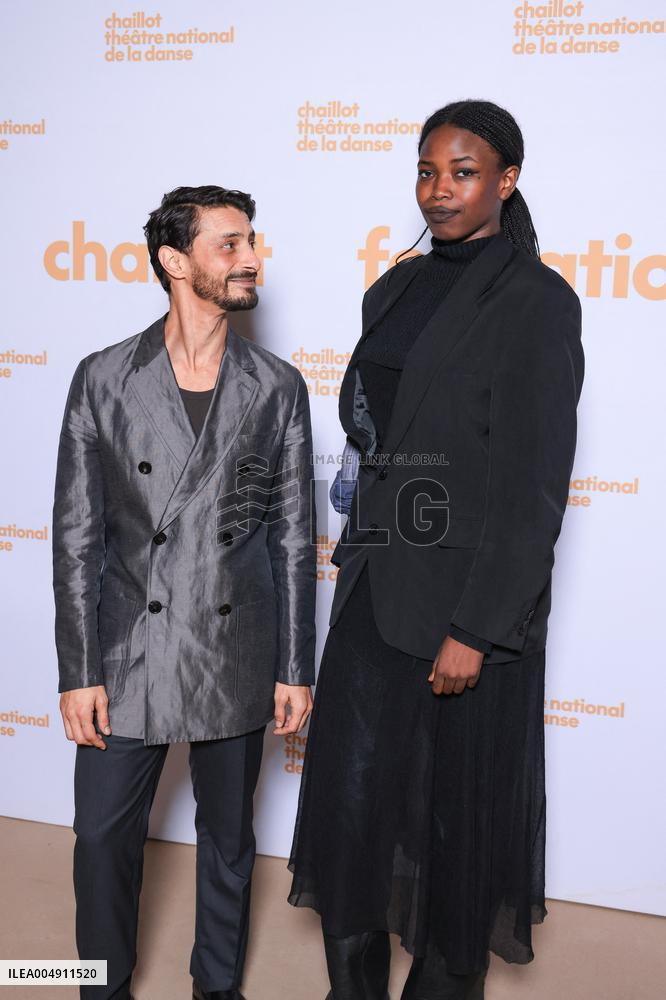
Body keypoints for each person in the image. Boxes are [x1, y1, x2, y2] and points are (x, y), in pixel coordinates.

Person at [288, 101, 584, 1000]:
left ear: (506, 180)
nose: (441, 188)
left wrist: (476, 628)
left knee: (455, 829)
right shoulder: (395, 288)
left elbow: (533, 488)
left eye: (463, 171)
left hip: (464, 611)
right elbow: (379, 436)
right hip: (376, 586)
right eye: (428, 171)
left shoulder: (536, 301)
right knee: (353, 806)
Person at [52, 185, 317, 1000]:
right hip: (128, 649)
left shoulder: (276, 386)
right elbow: (76, 537)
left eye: (251, 242)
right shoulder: (103, 377)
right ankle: (101, 985)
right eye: (229, 245)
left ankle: (216, 988)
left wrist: (296, 667)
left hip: (234, 647)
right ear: (176, 262)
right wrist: (78, 669)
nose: (250, 259)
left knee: (228, 840)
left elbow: (295, 537)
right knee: (100, 838)